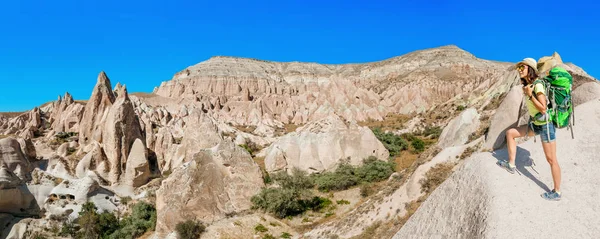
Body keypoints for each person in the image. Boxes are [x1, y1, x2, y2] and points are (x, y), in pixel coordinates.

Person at [497, 57, 561, 201]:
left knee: (551, 159)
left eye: (522, 68)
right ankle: (511, 164)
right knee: (511, 133)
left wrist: (530, 95)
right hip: (535, 124)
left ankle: (557, 192)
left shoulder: (537, 85)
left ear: (530, 70)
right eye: (519, 68)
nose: (519, 70)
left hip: (545, 125)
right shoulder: (529, 84)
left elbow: (543, 108)